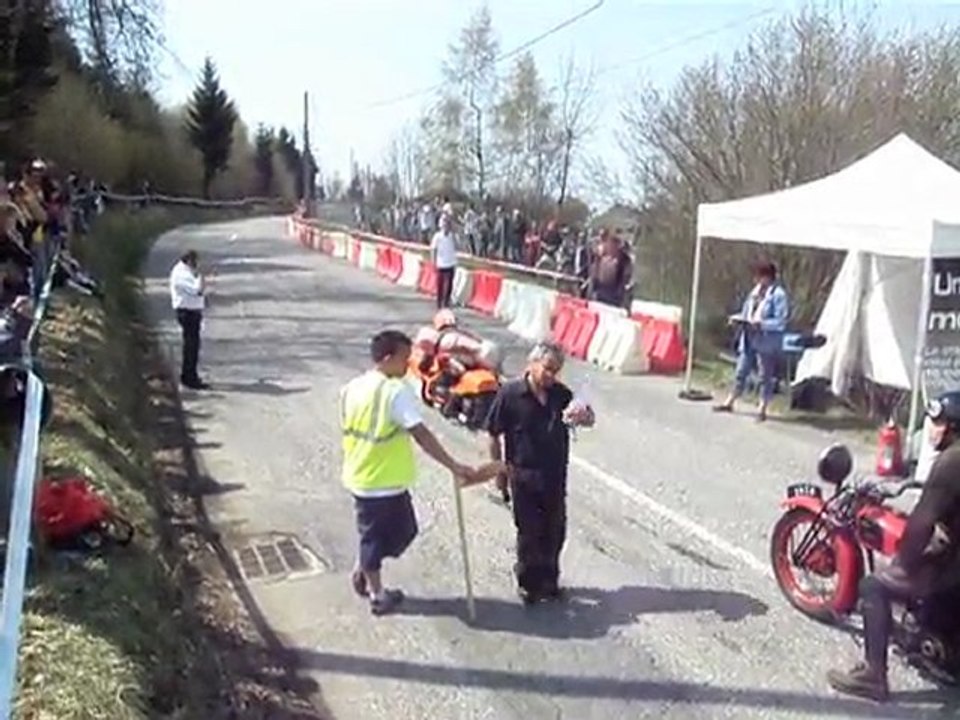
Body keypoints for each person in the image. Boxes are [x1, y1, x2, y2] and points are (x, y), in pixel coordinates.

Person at [827, 391, 960, 702]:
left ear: (953, 427)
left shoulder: (952, 461)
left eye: (939, 423)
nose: (932, 429)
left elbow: (921, 524)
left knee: (875, 586)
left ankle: (873, 676)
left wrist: (903, 563)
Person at [340, 330, 482, 615]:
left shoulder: (352, 387)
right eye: (406, 358)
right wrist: (454, 465)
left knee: (404, 531)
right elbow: (422, 435)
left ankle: (366, 567)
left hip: (373, 477)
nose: (409, 365)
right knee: (375, 539)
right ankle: (377, 594)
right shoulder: (393, 392)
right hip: (377, 481)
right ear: (389, 358)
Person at [480, 342, 595, 604]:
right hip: (523, 475)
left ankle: (550, 580)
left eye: (556, 371)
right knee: (529, 532)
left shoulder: (560, 395)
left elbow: (588, 419)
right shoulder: (510, 394)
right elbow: (493, 434)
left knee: (555, 531)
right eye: (547, 369)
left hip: (554, 476)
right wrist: (499, 470)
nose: (551, 376)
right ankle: (528, 583)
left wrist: (584, 416)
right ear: (531, 364)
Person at [713, 260, 789, 422]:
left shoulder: (778, 295)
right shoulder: (754, 293)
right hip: (748, 337)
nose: (756, 280)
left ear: (768, 277)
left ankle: (762, 408)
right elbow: (747, 312)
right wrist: (737, 319)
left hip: (766, 339)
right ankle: (730, 401)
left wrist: (762, 324)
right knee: (741, 371)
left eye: (759, 276)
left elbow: (781, 321)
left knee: (764, 375)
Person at [169, 250, 209, 390]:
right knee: (191, 346)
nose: (198, 265)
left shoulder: (186, 272)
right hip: (187, 313)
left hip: (192, 312)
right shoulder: (181, 274)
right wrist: (200, 276)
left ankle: (190, 375)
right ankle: (189, 377)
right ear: (190, 261)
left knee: (192, 346)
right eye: (196, 262)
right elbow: (197, 290)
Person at [587, 230, 633, 308]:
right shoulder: (599, 259)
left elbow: (625, 281)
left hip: (613, 301)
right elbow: (594, 278)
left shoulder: (624, 260)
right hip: (597, 297)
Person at [431, 212, 458, 309]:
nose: (446, 224)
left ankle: (446, 303)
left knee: (449, 286)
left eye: (448, 222)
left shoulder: (452, 236)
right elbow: (433, 250)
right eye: (444, 222)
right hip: (440, 264)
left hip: (450, 264)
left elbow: (456, 246)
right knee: (440, 286)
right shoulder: (437, 236)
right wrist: (433, 262)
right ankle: (439, 304)